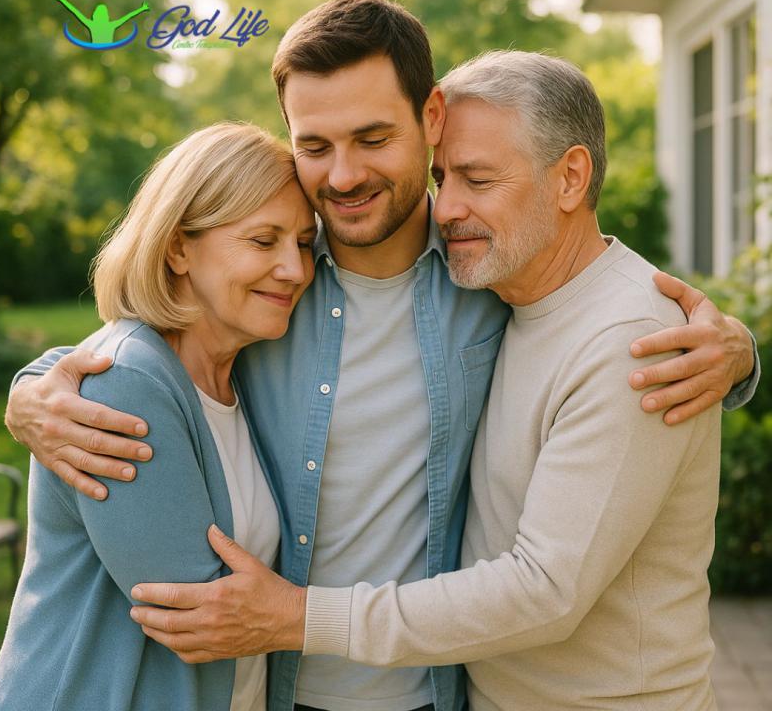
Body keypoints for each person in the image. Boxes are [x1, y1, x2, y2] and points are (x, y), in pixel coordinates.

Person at [6, 0, 758, 711]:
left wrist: (737, 354)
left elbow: (592, 298)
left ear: (429, 117)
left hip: (437, 690)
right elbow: (151, 339)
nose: (344, 175)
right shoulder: (274, 283)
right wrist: (36, 387)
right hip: (282, 687)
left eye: (373, 139)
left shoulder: (484, 266)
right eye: (314, 146)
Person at [170, 52, 734, 710]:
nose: (447, 209)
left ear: (570, 178)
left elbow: (545, 590)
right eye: (442, 178)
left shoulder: (635, 343)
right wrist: (48, 382)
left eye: (477, 179)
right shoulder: (510, 292)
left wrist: (298, 617)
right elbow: (178, 297)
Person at [0, 122, 317, 711]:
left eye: (303, 243)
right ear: (178, 247)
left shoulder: (243, 376)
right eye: (264, 241)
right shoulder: (127, 385)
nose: (294, 268)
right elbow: (197, 616)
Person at [52, 0, 150, 44]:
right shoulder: (109, 25)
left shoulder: (93, 24)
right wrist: (141, 9)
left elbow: (75, 11)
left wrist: (62, 0)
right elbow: (128, 16)